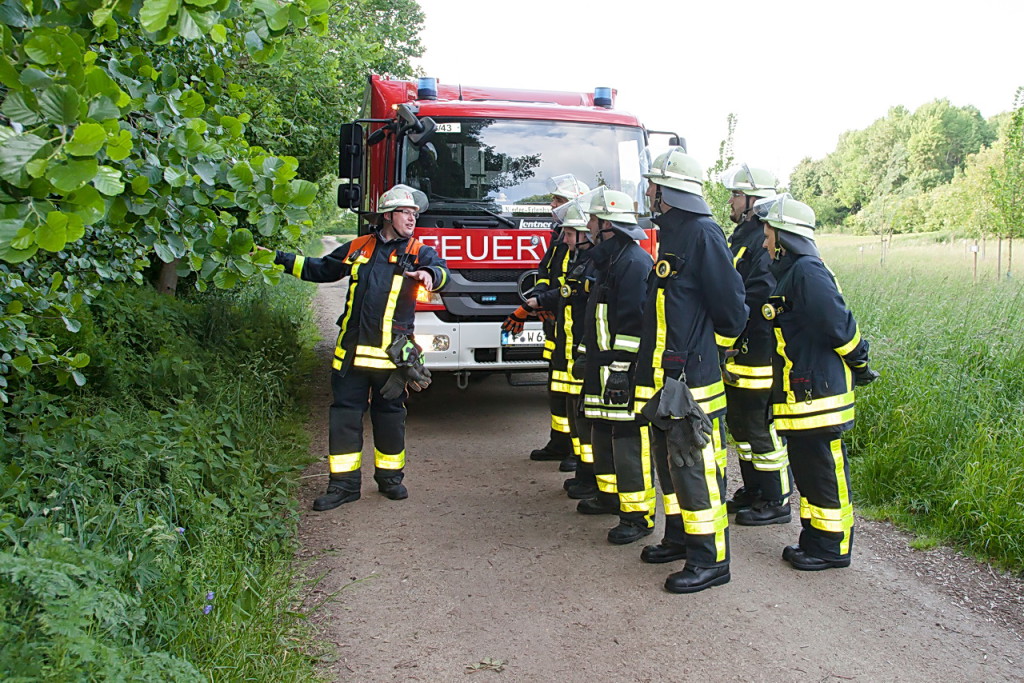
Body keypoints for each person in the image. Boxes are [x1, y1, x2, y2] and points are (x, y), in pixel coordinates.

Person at [271, 185, 449, 511]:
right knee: (345, 419)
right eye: (406, 212)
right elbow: (319, 269)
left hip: (391, 360)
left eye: (415, 214)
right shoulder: (359, 247)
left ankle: (390, 479)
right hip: (351, 356)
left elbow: (442, 272)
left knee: (390, 418)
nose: (412, 219)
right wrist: (277, 259)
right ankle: (343, 486)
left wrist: (429, 274)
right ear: (387, 215)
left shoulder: (419, 252)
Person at [633, 147, 748, 594]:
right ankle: (680, 538)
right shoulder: (673, 234)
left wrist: (702, 351)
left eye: (652, 184)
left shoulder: (703, 234)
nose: (647, 191)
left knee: (696, 471)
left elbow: (732, 312)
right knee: (672, 467)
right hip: (664, 381)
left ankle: (710, 559)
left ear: (667, 191)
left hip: (692, 383)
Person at [755, 193, 878, 570]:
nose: (764, 243)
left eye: (768, 235)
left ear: (785, 236)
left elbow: (838, 325)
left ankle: (832, 548)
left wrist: (860, 362)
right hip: (803, 392)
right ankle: (815, 540)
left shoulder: (807, 271)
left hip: (818, 394)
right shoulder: (795, 271)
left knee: (823, 472)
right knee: (809, 472)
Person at [575, 186, 656, 545]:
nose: (589, 226)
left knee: (627, 442)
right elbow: (596, 318)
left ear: (608, 225)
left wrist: (622, 370)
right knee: (603, 432)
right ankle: (609, 497)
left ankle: (638, 516)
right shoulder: (609, 260)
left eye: (594, 219)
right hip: (602, 366)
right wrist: (584, 354)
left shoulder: (634, 263)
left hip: (622, 370)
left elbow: (635, 324)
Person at [719, 164, 792, 526]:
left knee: (760, 425)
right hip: (740, 349)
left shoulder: (761, 242)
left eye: (736, 194)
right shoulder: (743, 238)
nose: (731, 201)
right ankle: (755, 489)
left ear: (753, 201)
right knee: (741, 425)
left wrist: (730, 330)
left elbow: (757, 294)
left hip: (759, 351)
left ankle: (777, 499)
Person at [504, 175, 589, 472]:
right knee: (557, 386)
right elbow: (544, 272)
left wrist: (537, 303)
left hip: (574, 327)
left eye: (559, 200)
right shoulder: (559, 236)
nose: (552, 205)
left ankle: (578, 451)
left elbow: (572, 286)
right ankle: (559, 442)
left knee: (574, 391)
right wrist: (540, 297)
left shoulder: (584, 241)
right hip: (557, 326)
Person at [546, 198, 598, 499]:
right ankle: (583, 472)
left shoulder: (593, 263)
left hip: (584, 351)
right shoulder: (579, 258)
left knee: (586, 418)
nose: (563, 239)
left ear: (584, 234)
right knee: (577, 416)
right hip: (570, 347)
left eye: (568, 233)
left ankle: (590, 476)